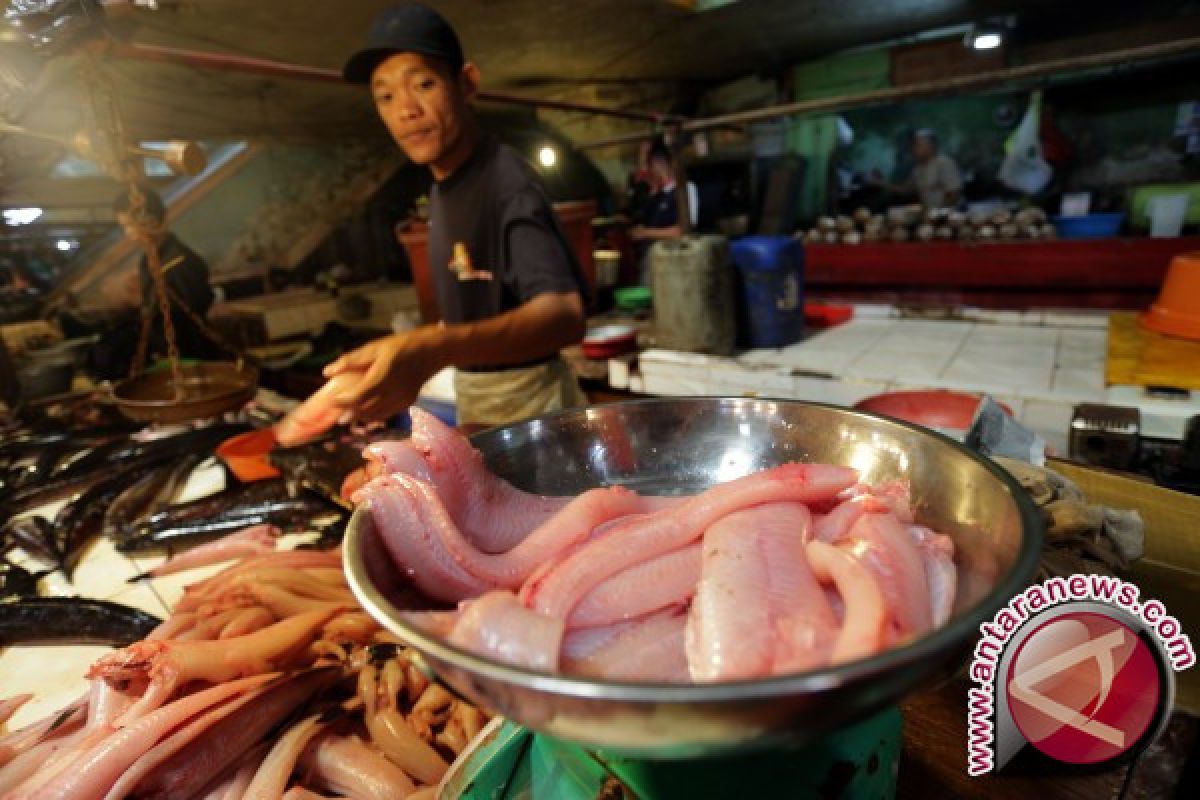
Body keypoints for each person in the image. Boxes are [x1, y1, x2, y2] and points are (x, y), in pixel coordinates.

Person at [325, 2, 588, 428]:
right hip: (480, 402)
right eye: (385, 96)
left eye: (424, 84)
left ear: (466, 83)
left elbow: (563, 315)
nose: (406, 110)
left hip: (535, 412)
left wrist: (434, 346)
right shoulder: (443, 188)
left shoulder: (504, 180)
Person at [113, 184, 219, 363]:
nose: (127, 234)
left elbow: (191, 318)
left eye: (128, 226)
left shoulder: (180, 262)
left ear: (150, 222)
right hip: (168, 354)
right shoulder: (148, 259)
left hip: (191, 357)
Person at [870, 129, 963, 209]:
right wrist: (879, 183)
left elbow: (954, 195)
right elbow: (906, 190)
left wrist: (940, 212)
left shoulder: (944, 163)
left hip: (950, 216)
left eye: (918, 145)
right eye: (914, 146)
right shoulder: (918, 169)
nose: (914, 149)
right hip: (929, 217)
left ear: (931, 146)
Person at [630, 140, 699, 243]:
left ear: (658, 164)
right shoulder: (654, 195)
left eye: (649, 166)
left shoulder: (686, 189)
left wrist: (645, 233)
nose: (648, 172)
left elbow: (683, 230)